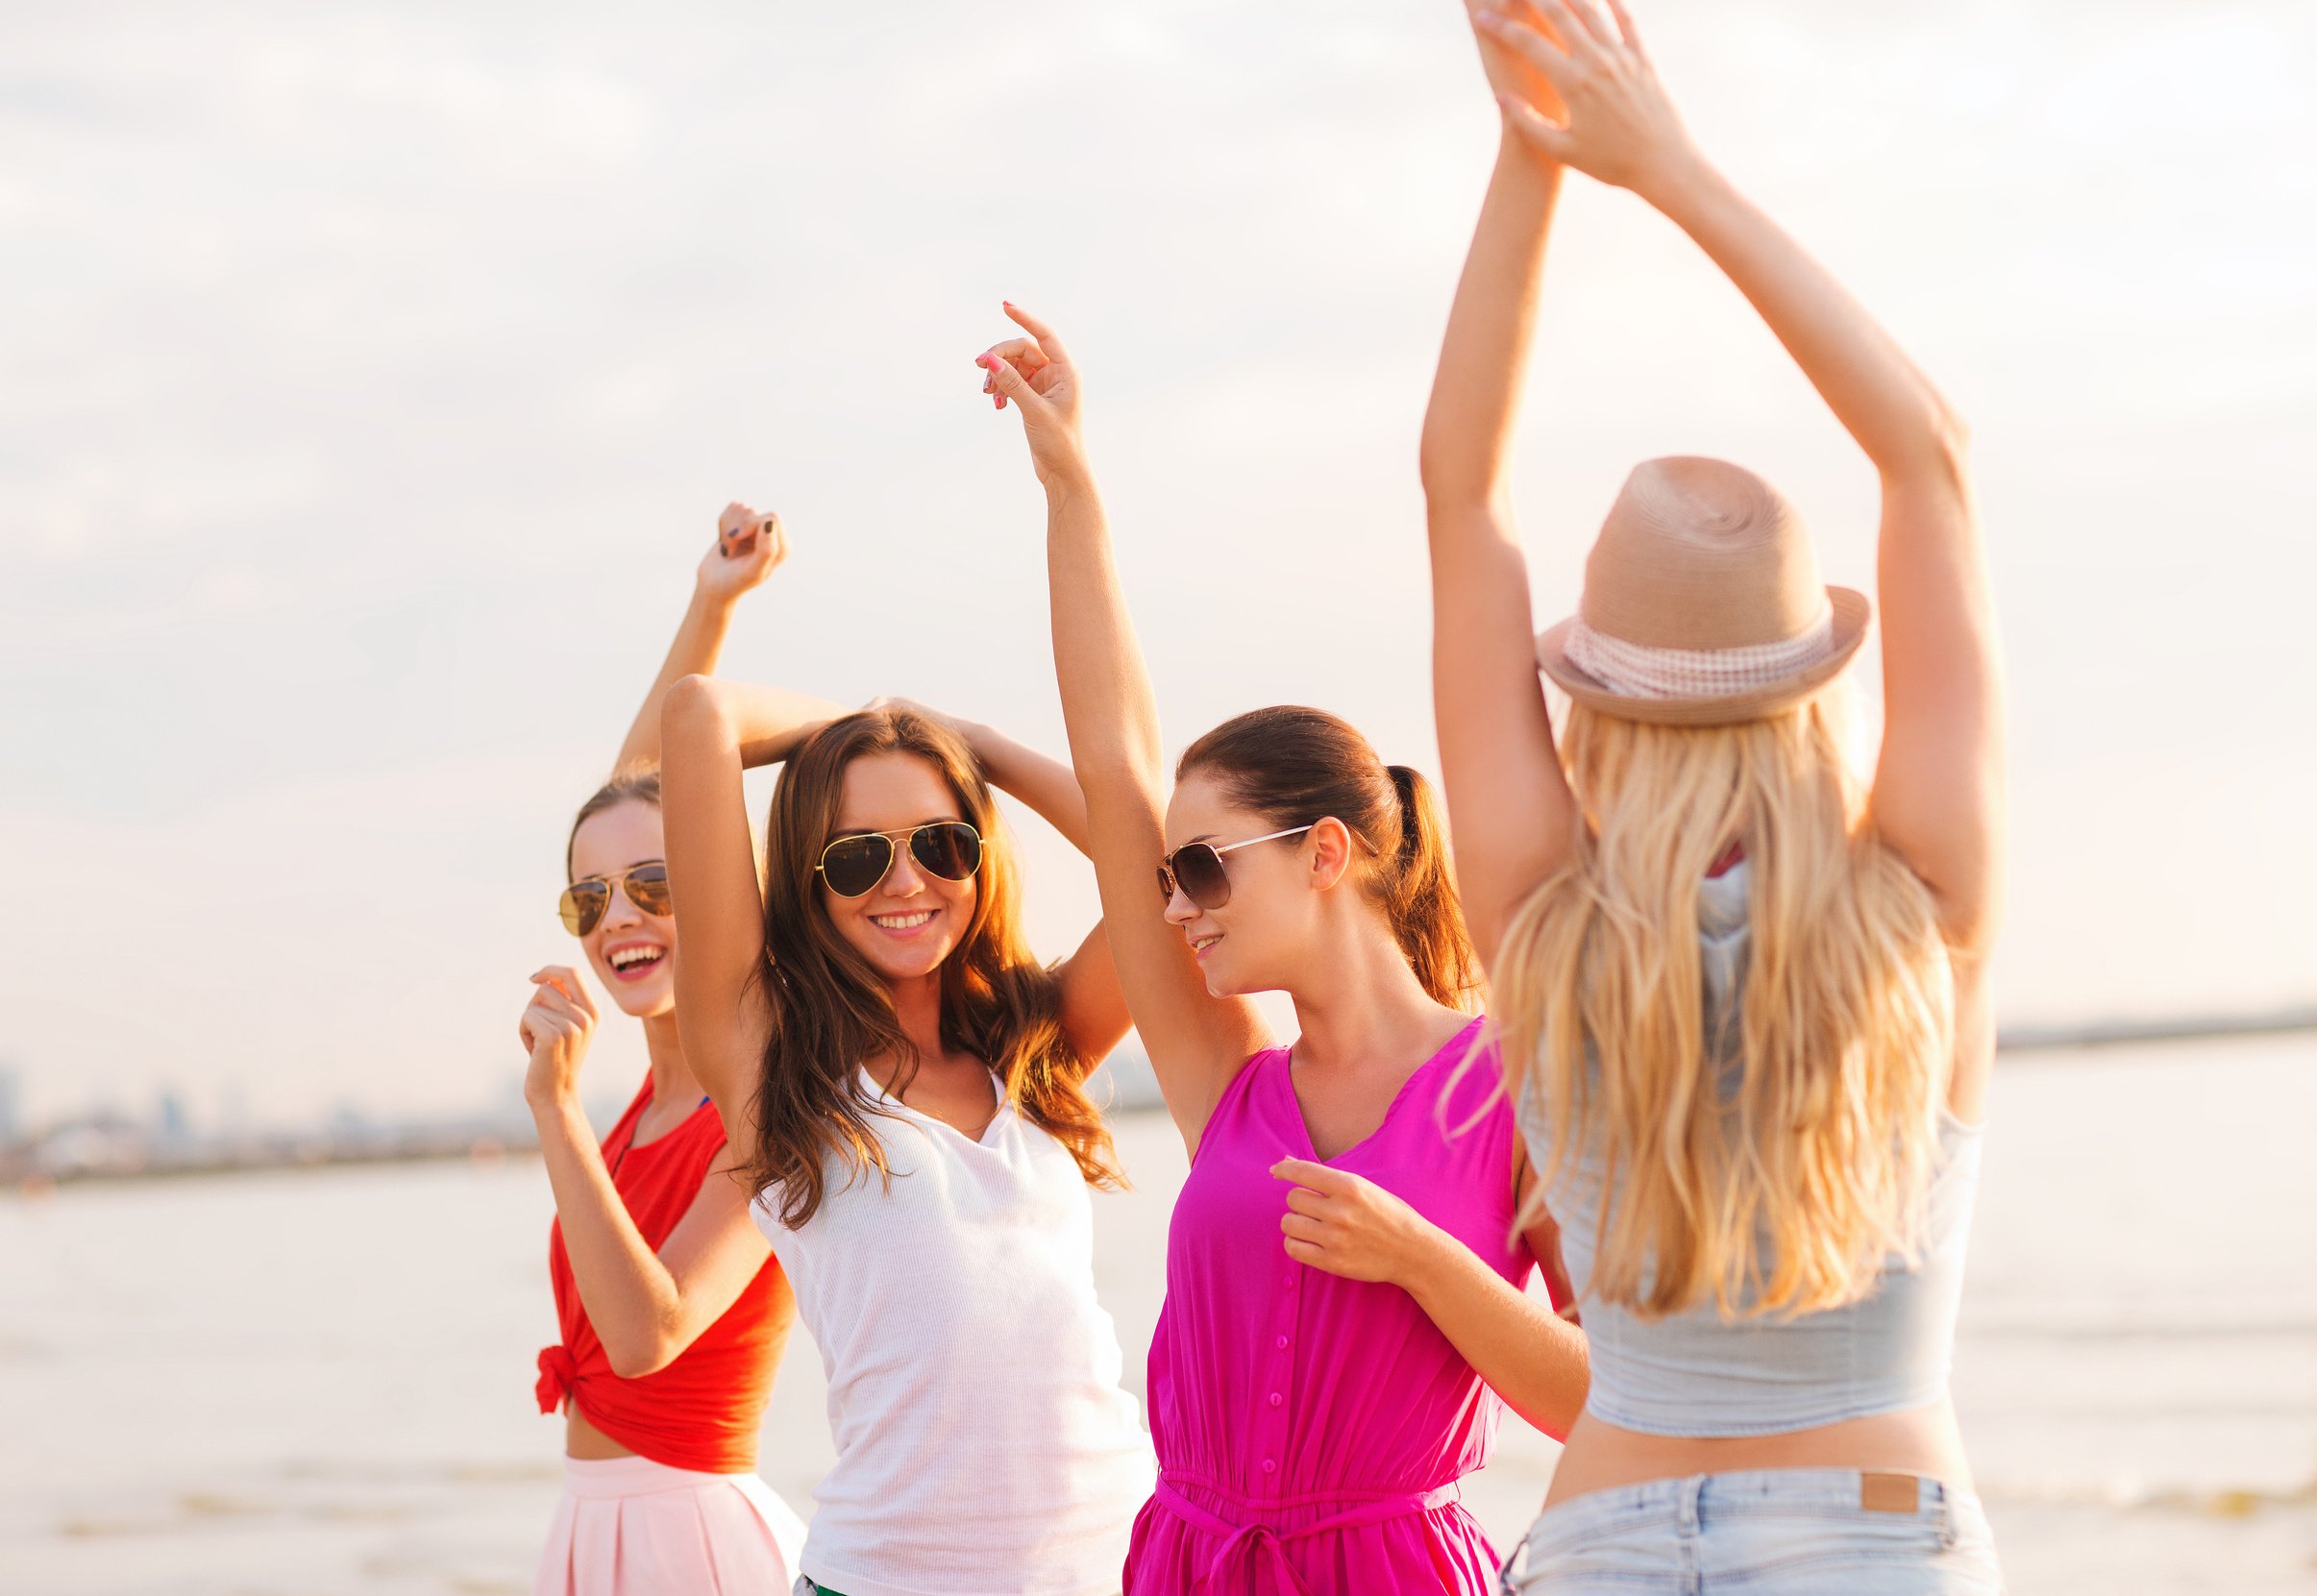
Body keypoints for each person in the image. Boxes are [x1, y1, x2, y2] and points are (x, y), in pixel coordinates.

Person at [1421, 3, 2007, 1589]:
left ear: (1592, 698)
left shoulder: (1545, 919)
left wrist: (1530, 152)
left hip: (1605, 1534)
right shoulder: (1921, 913)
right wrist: (1669, 169)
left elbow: (1463, 489)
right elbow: (1928, 460)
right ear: (1809, 679)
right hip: (1880, 1535)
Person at [974, 305, 1590, 1594]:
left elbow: (1611, 1399)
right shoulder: (1227, 1075)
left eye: (1206, 868)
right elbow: (1112, 758)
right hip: (1190, 1565)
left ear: (1322, 854)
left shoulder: (1511, 1081)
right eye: (1168, 876)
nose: (1178, 904)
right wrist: (1068, 482)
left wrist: (1418, 1257)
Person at [656, 504, 1155, 1596]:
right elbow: (696, 718)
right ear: (805, 876)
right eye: (856, 856)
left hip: (1125, 1561)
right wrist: (872, 722)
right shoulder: (769, 1060)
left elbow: (1157, 869)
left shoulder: (1037, 1044)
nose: (904, 881)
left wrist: (979, 747)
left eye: (939, 842)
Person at [518, 508, 808, 1595]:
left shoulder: (772, 1106)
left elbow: (649, 1331)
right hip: (591, 1537)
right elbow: (637, 794)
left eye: (654, 888)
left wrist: (554, 1112)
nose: (617, 918)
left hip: (697, 1548)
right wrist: (713, 601)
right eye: (589, 897)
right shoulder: (650, 1095)